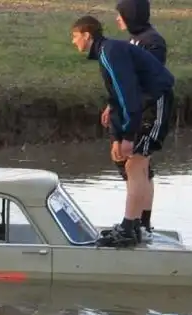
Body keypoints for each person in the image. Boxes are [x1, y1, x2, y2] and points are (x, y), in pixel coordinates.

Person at [70, 15, 175, 247]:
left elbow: (128, 96)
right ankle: (134, 225)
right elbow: (117, 95)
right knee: (135, 164)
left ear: (87, 35)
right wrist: (117, 135)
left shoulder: (109, 52)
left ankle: (130, 228)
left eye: (75, 36)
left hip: (155, 101)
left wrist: (127, 137)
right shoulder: (106, 51)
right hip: (146, 102)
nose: (73, 41)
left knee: (136, 163)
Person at [100, 0, 168, 241]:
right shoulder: (134, 39)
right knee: (140, 167)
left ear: (131, 15)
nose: (117, 19)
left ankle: (134, 226)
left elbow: (147, 81)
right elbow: (125, 79)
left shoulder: (153, 41)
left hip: (149, 109)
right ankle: (139, 224)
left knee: (136, 165)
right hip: (137, 107)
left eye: (120, 15)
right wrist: (113, 105)